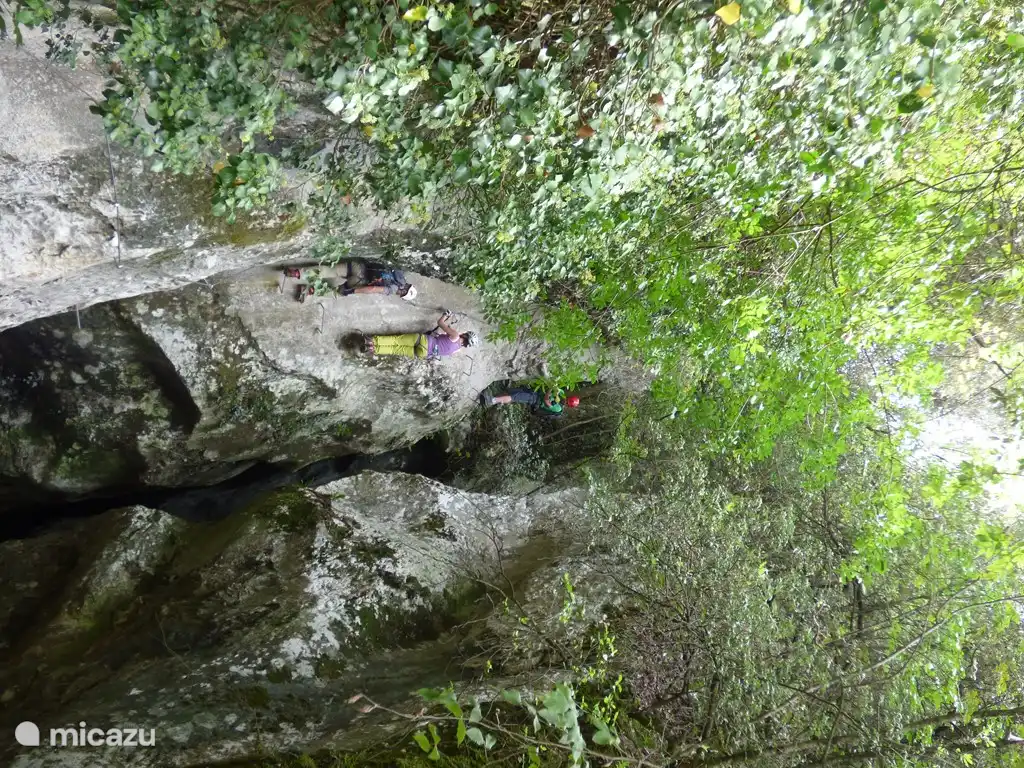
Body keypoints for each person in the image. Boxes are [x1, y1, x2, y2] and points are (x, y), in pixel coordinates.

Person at [283, 260, 417, 303]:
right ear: (403, 292)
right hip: (359, 280)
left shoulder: (399, 272)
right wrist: (352, 291)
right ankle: (310, 290)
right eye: (402, 295)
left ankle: (298, 273)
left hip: (358, 266)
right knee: (338, 292)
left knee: (330, 271)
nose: (399, 295)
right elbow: (372, 289)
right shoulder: (393, 289)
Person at [364, 312, 479, 358]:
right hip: (423, 353)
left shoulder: (455, 336)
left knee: (396, 340)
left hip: (424, 341)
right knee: (395, 349)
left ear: (465, 335)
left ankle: (371, 341)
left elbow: (440, 323)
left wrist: (445, 315)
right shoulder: (456, 350)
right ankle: (373, 349)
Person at [481, 387, 580, 417]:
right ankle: (493, 398)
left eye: (567, 402)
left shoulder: (558, 408)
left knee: (514, 397)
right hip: (534, 392)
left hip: (534, 400)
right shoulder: (561, 392)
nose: (565, 401)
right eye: (567, 400)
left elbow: (546, 401)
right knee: (513, 392)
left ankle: (491, 401)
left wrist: (550, 390)